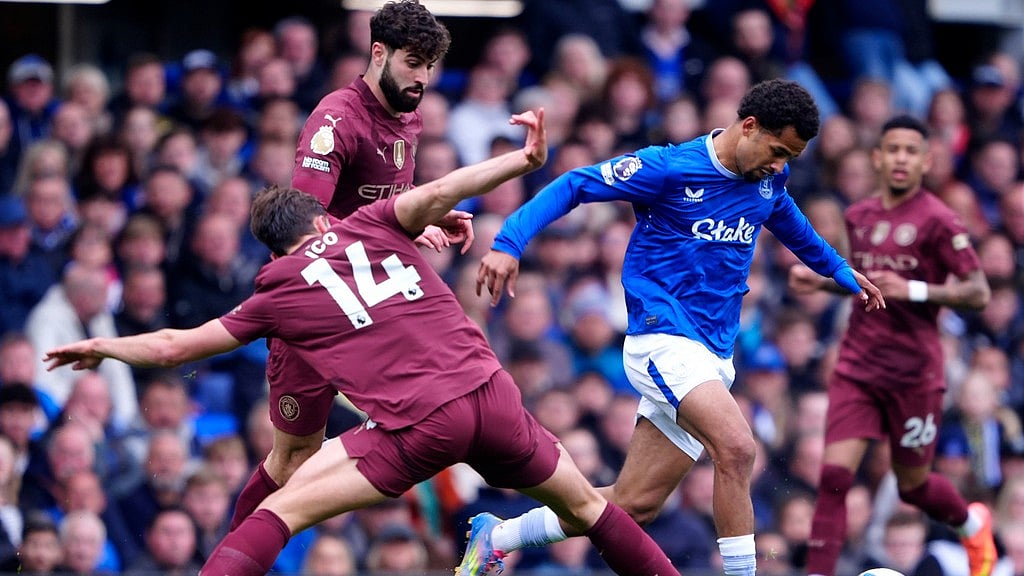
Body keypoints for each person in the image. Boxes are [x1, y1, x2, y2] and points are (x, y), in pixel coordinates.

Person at [42, 110, 680, 576]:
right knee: (594, 513)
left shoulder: (275, 292)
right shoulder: (373, 222)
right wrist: (521, 160)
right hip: (492, 396)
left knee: (281, 509)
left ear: (271, 248)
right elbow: (437, 191)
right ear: (323, 219)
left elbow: (177, 347)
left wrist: (104, 346)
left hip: (422, 424)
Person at [471, 79, 885, 576]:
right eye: (777, 150)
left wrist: (840, 270)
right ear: (748, 126)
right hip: (662, 338)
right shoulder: (666, 168)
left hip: (714, 355)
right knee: (737, 448)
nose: (780, 164)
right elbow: (576, 184)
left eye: (789, 157)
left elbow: (794, 227)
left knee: (632, 505)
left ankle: (497, 534)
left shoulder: (768, 179)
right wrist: (509, 242)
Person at [227, 0, 460, 533]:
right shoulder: (336, 119)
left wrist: (422, 220)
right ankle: (230, 562)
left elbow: (377, 208)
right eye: (412, 63)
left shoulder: (409, 113)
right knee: (292, 461)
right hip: (316, 307)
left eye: (430, 65)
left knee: (444, 404)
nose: (422, 77)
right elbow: (301, 233)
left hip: (373, 301)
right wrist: (397, 226)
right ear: (378, 53)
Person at [787, 115, 996, 576]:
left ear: (926, 160)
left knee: (912, 486)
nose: (901, 158)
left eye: (911, 150)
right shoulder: (857, 216)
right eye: (893, 149)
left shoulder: (940, 220)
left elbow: (979, 291)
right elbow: (865, 284)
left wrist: (916, 290)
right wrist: (822, 282)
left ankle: (971, 523)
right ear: (877, 158)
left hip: (915, 373)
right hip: (858, 366)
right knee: (835, 478)